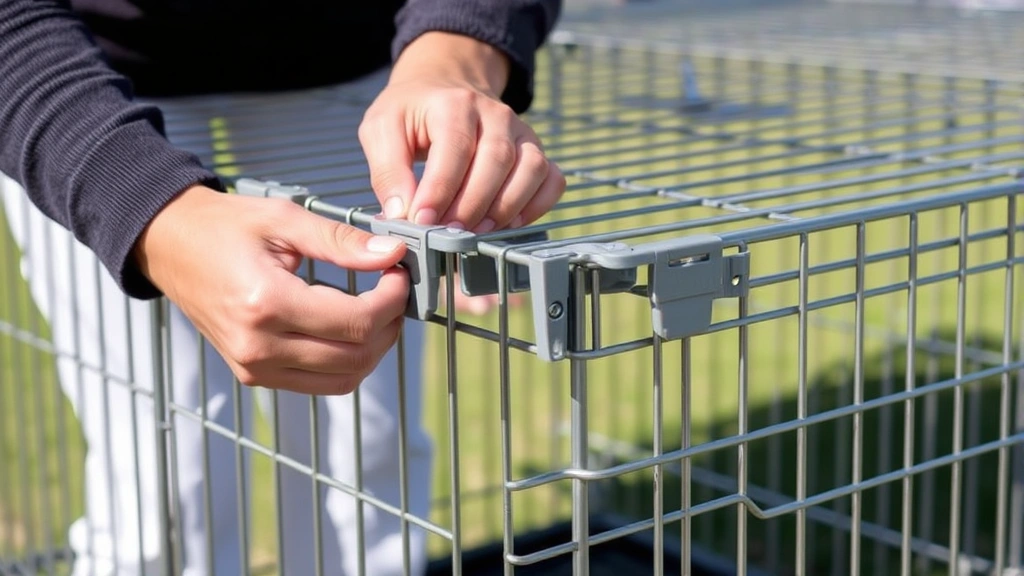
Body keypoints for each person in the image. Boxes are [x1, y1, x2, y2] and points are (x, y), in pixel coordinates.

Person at [0, 1, 565, 575]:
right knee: (167, 478)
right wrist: (147, 209)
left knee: (366, 448)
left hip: (352, 61)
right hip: (81, 71)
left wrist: (456, 52)